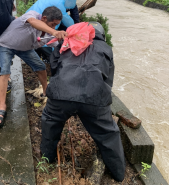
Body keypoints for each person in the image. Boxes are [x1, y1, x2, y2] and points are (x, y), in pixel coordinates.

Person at [40, 22, 126, 182]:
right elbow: (108, 79)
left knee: (50, 123)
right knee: (108, 134)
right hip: (94, 98)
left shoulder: (67, 41)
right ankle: (119, 174)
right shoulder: (106, 49)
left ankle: (46, 159)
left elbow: (54, 67)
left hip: (60, 94)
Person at [0, 6, 67, 127]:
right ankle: (2, 107)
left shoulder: (49, 32)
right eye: (53, 24)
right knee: (5, 71)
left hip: (25, 49)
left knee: (40, 66)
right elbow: (33, 22)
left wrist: (67, 39)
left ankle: (45, 92)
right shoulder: (32, 15)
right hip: (6, 45)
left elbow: (58, 45)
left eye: (56, 25)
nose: (54, 27)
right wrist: (54, 31)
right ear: (44, 18)